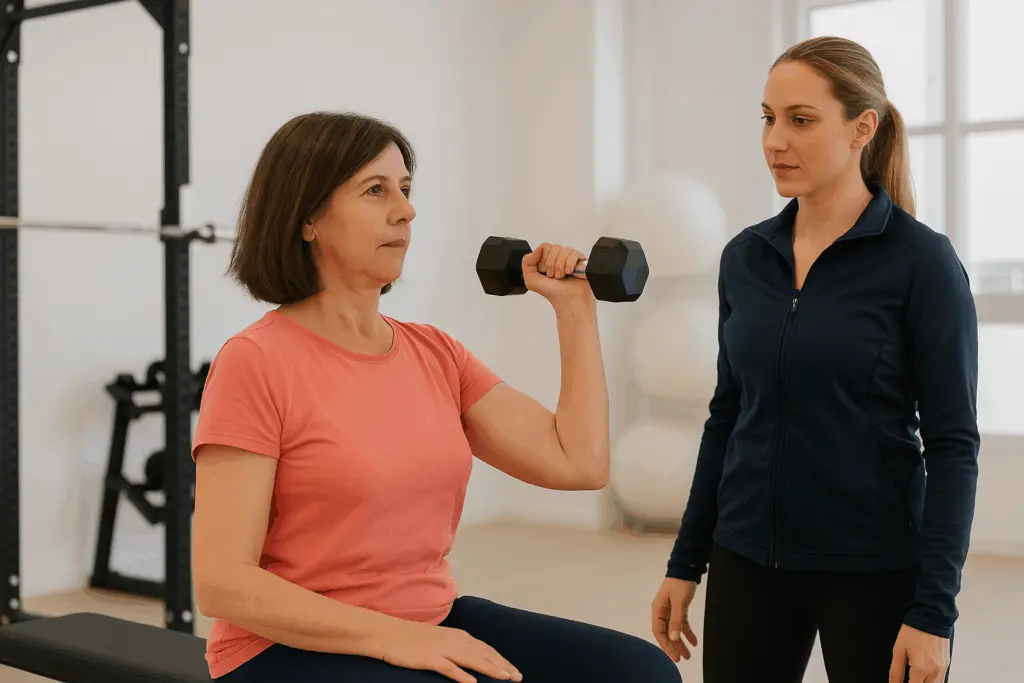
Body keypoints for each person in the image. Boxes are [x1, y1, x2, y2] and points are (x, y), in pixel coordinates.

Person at [190, 111, 681, 683]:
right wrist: (396, 638)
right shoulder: (257, 361)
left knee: (637, 673)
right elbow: (223, 582)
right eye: (375, 191)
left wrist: (574, 311)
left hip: (427, 618)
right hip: (283, 648)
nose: (405, 209)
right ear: (308, 219)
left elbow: (580, 463)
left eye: (406, 188)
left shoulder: (435, 354)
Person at [650, 36, 979, 683]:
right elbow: (727, 417)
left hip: (874, 567)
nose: (776, 140)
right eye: (768, 118)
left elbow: (952, 445)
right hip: (746, 555)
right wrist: (686, 561)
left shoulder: (922, 263)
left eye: (801, 120)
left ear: (863, 127)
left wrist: (934, 611)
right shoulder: (745, 259)